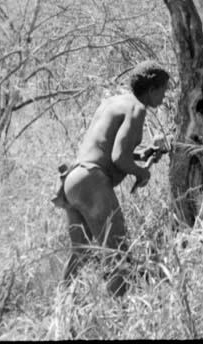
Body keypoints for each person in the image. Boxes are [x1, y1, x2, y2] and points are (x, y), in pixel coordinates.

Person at [58, 60, 170, 295]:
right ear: (152, 90)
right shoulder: (137, 109)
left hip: (73, 179)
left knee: (82, 252)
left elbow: (108, 148)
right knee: (119, 254)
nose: (164, 96)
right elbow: (119, 158)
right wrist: (142, 172)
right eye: (163, 90)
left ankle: (61, 309)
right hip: (92, 182)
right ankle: (118, 317)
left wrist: (142, 154)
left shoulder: (112, 102)